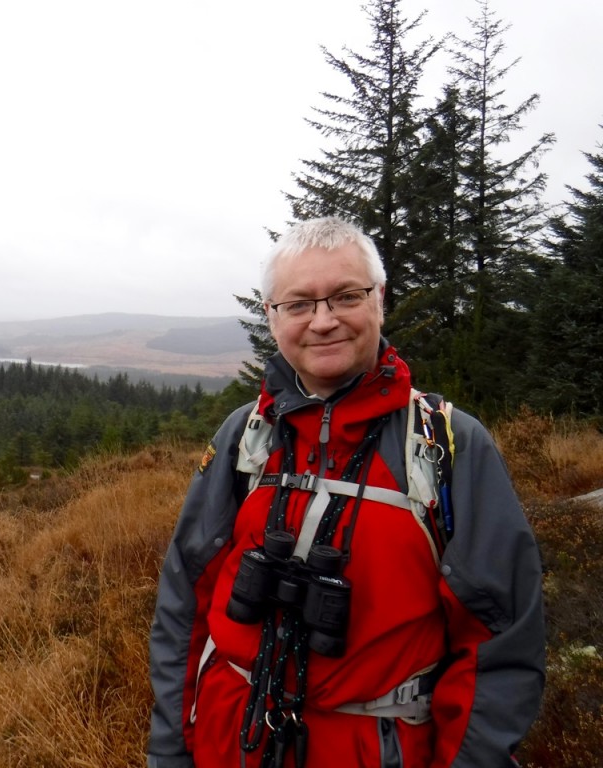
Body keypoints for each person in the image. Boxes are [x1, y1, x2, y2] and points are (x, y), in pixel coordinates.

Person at [147, 217, 545, 768]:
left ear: (379, 298)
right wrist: (170, 752)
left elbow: (498, 643)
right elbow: (183, 605)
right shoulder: (246, 435)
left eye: (346, 296)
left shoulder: (446, 444)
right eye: (299, 304)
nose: (323, 321)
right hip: (229, 743)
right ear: (272, 316)